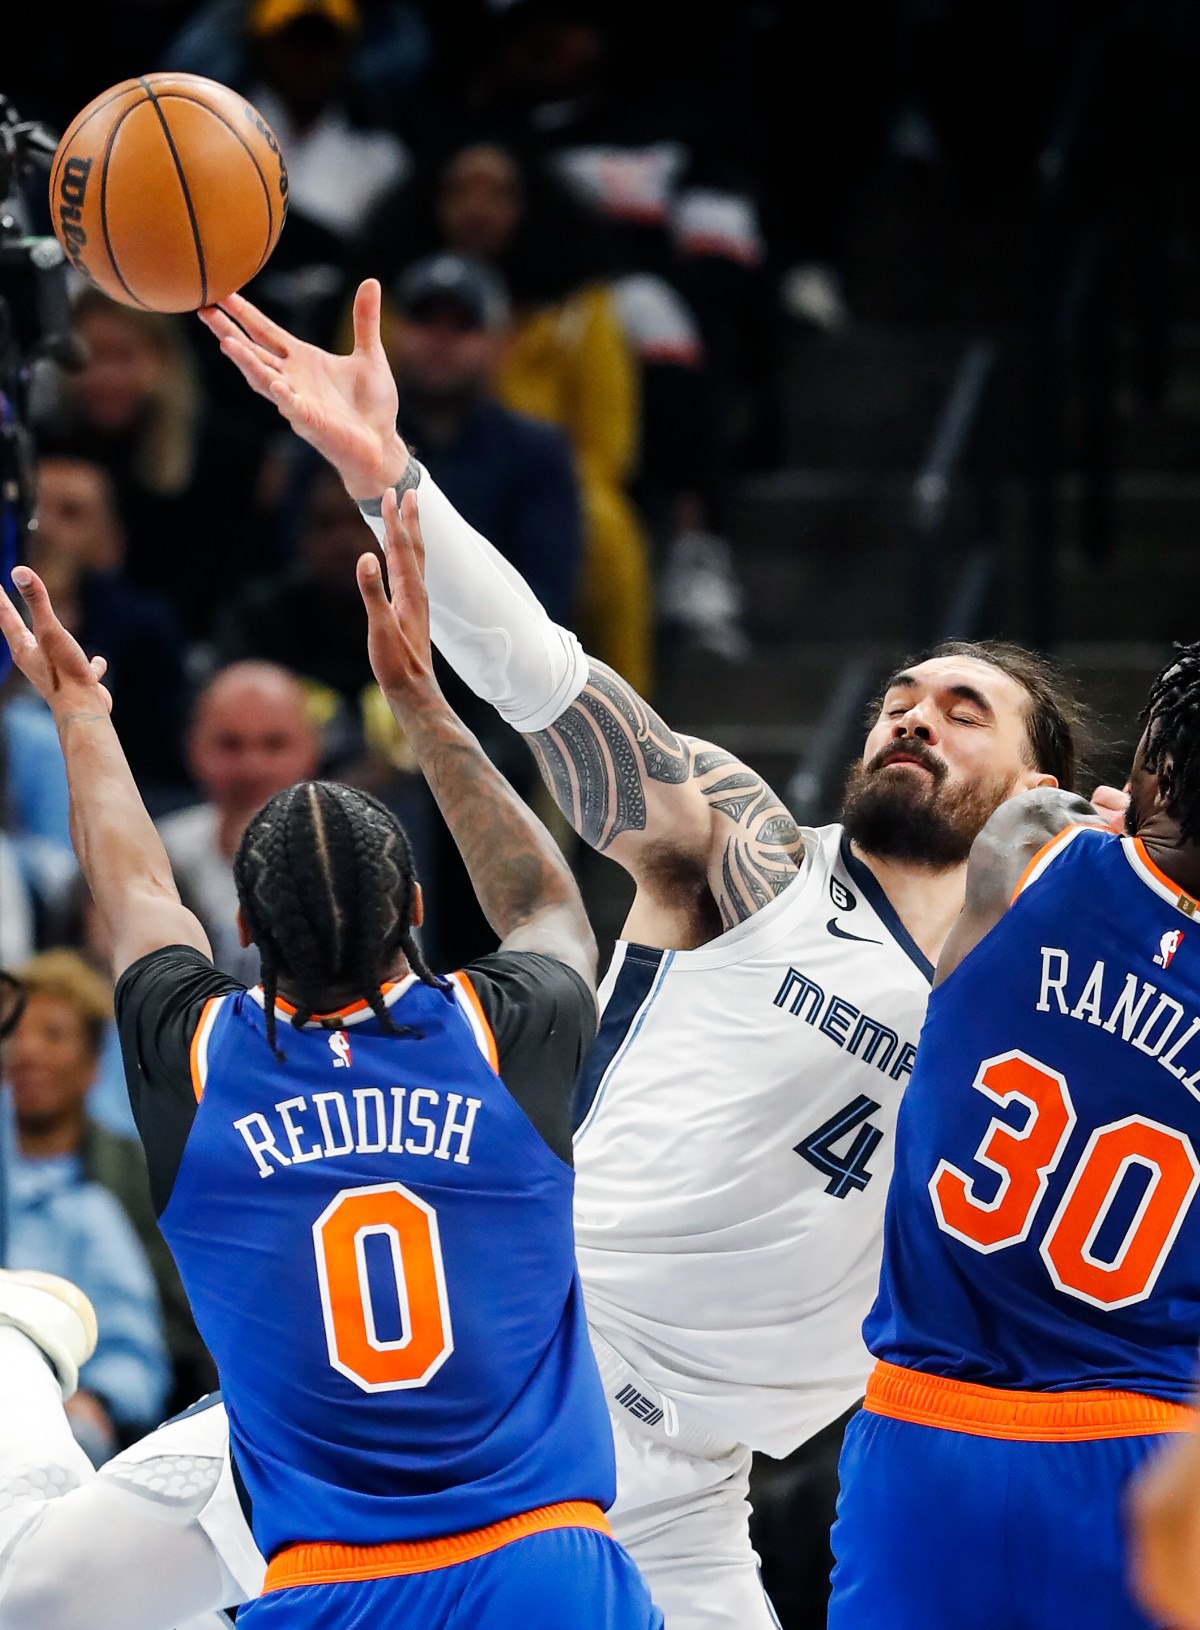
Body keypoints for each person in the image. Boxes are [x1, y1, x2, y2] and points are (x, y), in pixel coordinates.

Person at [194, 282, 1102, 1629]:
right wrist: (393, 473)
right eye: (901, 698)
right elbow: (555, 687)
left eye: (965, 711)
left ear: (1043, 780)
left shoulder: (1061, 1000)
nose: (915, 718)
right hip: (517, 1385)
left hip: (701, 1488)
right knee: (64, 1583)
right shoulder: (764, 863)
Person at [0, 491, 661, 1627]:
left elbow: (142, 893)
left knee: (34, 1589)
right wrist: (419, 702)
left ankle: (19, 1343)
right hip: (545, 1563)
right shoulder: (500, 1032)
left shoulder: (203, 1053)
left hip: (331, 1581)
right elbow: (548, 904)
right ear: (413, 905)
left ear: (243, 928)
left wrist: (79, 713)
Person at [827, 643, 1200, 1630]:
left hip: (926, 1433)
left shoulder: (1023, 846)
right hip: (1145, 1441)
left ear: (1152, 762)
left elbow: (1060, 811)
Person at [6, 949, 214, 1412]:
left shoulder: (136, 1172)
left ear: (92, 1063)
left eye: (53, 1034)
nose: (27, 1051)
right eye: (13, 1033)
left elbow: (176, 1311)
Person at [156, 662, 321, 982]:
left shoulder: (360, 860)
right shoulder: (158, 854)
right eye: (231, 745)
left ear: (311, 749)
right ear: (194, 748)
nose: (252, 767)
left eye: (274, 744)